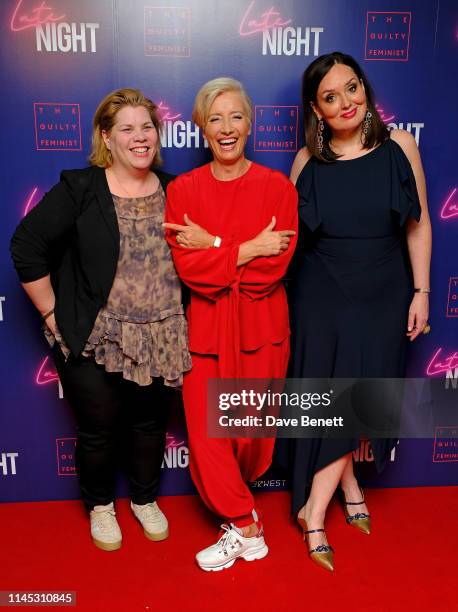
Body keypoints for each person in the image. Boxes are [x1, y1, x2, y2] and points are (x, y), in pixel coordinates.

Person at [10, 88, 191, 551]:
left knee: (150, 427)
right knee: (98, 429)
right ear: (106, 137)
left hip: (159, 336)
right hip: (96, 336)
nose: (140, 137)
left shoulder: (178, 189)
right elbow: (27, 245)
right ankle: (101, 506)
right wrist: (51, 312)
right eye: (127, 129)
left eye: (147, 126)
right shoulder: (81, 187)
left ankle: (144, 499)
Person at [287, 52, 432, 571]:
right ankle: (332, 505)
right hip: (319, 294)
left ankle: (314, 506)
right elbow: (289, 240)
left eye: (352, 88)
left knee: (359, 398)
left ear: (365, 89)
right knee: (332, 397)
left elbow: (418, 224)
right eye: (331, 97)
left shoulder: (400, 147)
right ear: (316, 109)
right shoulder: (306, 162)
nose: (346, 102)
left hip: (383, 291)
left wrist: (422, 292)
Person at [163, 77, 298, 571]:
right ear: (201, 127)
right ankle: (246, 525)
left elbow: (270, 272)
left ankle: (244, 521)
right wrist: (240, 248)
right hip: (205, 333)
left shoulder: (278, 187)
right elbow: (190, 270)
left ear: (250, 123)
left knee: (249, 437)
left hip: (261, 330)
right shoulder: (181, 190)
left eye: (235, 116)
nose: (226, 128)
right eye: (214, 118)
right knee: (206, 434)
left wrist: (215, 246)